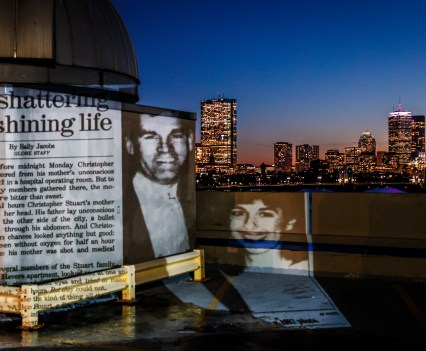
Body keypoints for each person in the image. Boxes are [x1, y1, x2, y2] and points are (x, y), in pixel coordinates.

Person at [122, 113, 194, 264]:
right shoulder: (119, 202)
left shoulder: (190, 199)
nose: (165, 148)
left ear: (190, 141)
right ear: (130, 145)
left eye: (176, 136)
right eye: (150, 137)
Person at [228, 197, 308, 271]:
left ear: (289, 223)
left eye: (264, 214)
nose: (249, 226)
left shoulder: (302, 269)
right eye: (238, 213)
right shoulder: (227, 268)